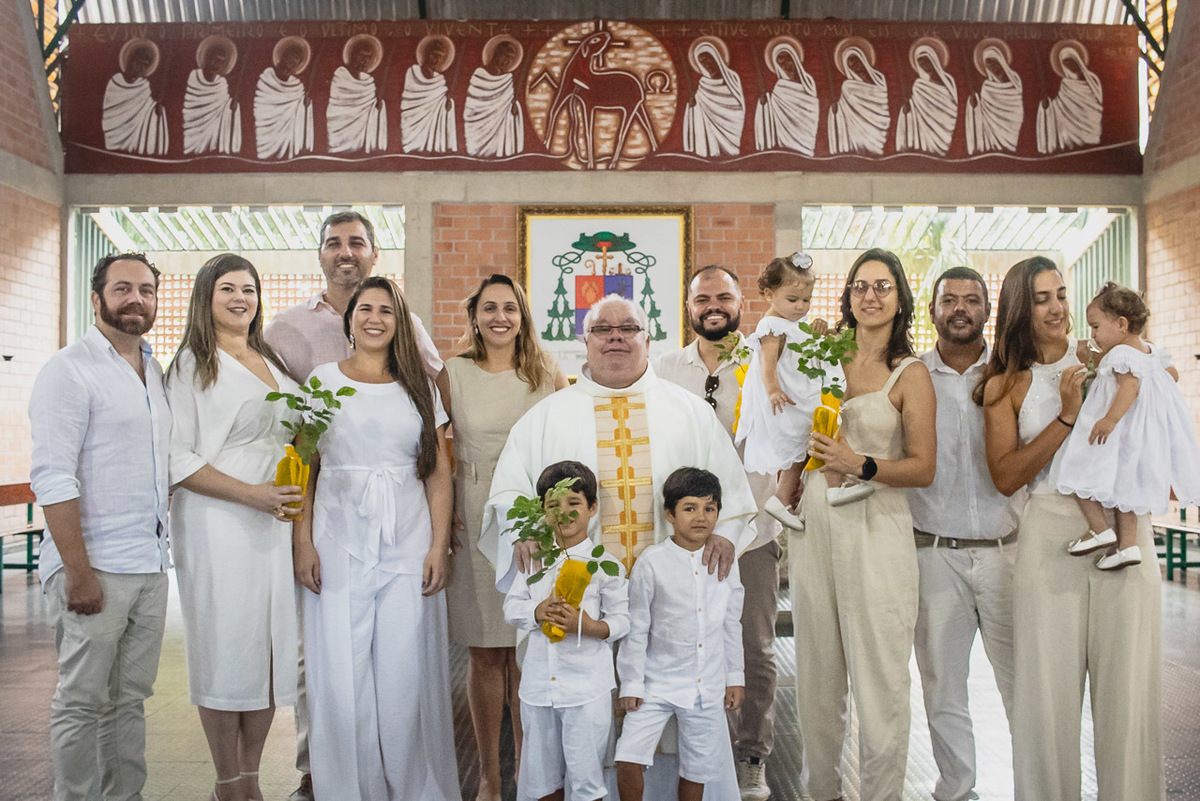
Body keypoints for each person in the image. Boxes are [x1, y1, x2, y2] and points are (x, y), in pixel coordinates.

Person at [483, 294, 758, 798]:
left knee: (678, 726)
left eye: (628, 328)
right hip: (580, 605)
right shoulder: (547, 416)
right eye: (602, 329)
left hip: (671, 608)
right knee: (580, 732)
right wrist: (520, 529)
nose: (616, 337)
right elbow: (508, 494)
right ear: (584, 343)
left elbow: (732, 496)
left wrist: (724, 533)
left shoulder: (688, 411)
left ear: (647, 340)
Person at [264, 210, 446, 801]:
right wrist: (302, 540)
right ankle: (351, 788)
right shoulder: (320, 380)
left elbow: (439, 470)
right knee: (342, 677)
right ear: (350, 319)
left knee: (400, 675)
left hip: (408, 537)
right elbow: (305, 468)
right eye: (364, 309)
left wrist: (439, 546)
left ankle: (409, 785)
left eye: (385, 310)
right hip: (339, 537)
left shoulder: (416, 387)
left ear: (400, 323)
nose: (374, 318)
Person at [977, 257, 1162, 800]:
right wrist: (1066, 415)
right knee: (1046, 700)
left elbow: (1158, 408)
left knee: (1128, 694)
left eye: (1060, 294)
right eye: (1041, 299)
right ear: (1019, 308)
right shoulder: (1004, 385)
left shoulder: (1114, 356)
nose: (1057, 307)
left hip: (1126, 528)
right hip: (1052, 532)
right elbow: (1006, 477)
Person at [792, 248, 936, 801]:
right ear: (847, 296)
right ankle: (819, 793)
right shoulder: (820, 357)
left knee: (881, 684)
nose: (869, 296)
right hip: (816, 526)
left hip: (878, 525)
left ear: (900, 298)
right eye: (859, 286)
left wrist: (861, 464)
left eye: (882, 287)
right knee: (817, 680)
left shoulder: (911, 373)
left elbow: (924, 467)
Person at [29, 253, 171, 801]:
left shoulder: (154, 369)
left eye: (146, 290)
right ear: (97, 298)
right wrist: (78, 571)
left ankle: (124, 796)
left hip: (150, 565)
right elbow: (52, 477)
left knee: (128, 698)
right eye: (122, 289)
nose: (136, 299)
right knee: (81, 700)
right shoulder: (69, 369)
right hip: (97, 567)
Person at [164, 254, 303, 801]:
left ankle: (250, 775)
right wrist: (253, 495)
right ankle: (228, 781)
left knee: (266, 652)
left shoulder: (268, 357)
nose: (240, 297)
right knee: (225, 648)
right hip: (219, 520)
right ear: (206, 297)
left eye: (248, 288)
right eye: (227, 288)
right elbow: (176, 456)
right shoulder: (192, 365)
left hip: (274, 523)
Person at [652, 264, 781, 801]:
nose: (713, 305)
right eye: (702, 297)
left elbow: (785, 443)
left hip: (750, 533)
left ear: (739, 303)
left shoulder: (766, 363)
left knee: (753, 647)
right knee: (684, 642)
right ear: (687, 307)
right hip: (684, 539)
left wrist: (740, 524)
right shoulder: (662, 369)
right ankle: (695, 754)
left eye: (723, 296)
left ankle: (751, 755)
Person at [444, 274, 567, 801]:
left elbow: (566, 448)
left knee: (527, 652)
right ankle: (492, 779)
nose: (500, 317)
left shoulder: (545, 372)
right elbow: (435, 448)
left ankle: (532, 774)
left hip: (530, 520)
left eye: (510, 308)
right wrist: (444, 514)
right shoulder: (452, 373)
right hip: (473, 515)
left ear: (523, 316)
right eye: (489, 308)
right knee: (485, 653)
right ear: (474, 315)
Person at [907, 266, 1018, 801]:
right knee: (942, 687)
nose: (959, 309)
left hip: (1007, 553)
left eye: (971, 300)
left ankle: (1038, 785)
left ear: (986, 311)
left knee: (1024, 683)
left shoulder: (1012, 372)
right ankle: (957, 790)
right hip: (933, 553)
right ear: (931, 309)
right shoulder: (910, 376)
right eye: (948, 299)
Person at [502, 461, 630, 801]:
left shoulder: (606, 566)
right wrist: (536, 610)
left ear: (592, 508)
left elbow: (621, 621)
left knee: (587, 781)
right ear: (542, 512)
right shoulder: (534, 560)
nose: (565, 513)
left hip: (586, 689)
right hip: (539, 687)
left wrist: (586, 626)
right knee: (543, 780)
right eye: (553, 505)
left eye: (574, 503)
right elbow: (511, 607)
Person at [615, 468, 745, 801]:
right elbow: (637, 627)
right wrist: (631, 683)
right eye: (690, 508)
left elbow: (731, 623)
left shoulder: (725, 561)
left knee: (696, 771)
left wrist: (735, 677)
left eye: (710, 509)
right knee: (628, 758)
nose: (701, 517)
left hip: (707, 686)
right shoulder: (652, 562)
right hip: (655, 684)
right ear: (670, 514)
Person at [1056, 282, 1200, 569]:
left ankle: (1099, 530)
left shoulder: (1120, 355)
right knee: (1127, 493)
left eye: (1095, 327)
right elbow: (1172, 374)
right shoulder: (1150, 352)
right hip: (1137, 440)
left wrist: (1108, 420)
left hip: (1114, 434)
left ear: (1122, 324)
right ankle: (1128, 546)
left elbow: (1129, 387)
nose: (1092, 335)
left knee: (1074, 469)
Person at [736, 253, 843, 532]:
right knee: (817, 436)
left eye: (806, 301)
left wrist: (818, 328)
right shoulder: (770, 326)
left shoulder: (792, 323)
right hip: (786, 399)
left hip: (800, 393)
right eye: (793, 300)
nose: (800, 307)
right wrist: (773, 391)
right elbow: (767, 364)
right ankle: (832, 487)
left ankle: (783, 499)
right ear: (769, 294)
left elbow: (809, 347)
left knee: (807, 447)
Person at [102, 38, 168, 155]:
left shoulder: (144, 86)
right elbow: (111, 113)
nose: (141, 67)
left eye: (145, 64)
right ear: (130, 60)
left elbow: (147, 109)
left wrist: (156, 109)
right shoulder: (115, 83)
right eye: (139, 62)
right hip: (115, 135)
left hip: (137, 137)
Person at [753, 38, 819, 156]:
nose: (785, 65)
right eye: (780, 63)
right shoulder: (779, 88)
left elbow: (812, 107)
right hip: (785, 140)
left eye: (787, 59)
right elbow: (773, 112)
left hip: (807, 134)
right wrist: (765, 103)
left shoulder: (808, 82)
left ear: (794, 59)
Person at [1036, 41, 1103, 154]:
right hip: (1070, 134)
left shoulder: (1092, 80)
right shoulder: (1066, 84)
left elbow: (1097, 102)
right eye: (1066, 63)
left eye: (1072, 61)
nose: (1070, 66)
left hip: (1091, 126)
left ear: (1078, 60)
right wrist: (1046, 108)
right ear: (1063, 66)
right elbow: (1060, 106)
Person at [682, 38, 745, 158]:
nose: (707, 64)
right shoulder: (703, 86)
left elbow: (742, 103)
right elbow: (699, 111)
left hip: (734, 126)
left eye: (709, 59)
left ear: (716, 57)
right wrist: (692, 107)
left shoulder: (732, 78)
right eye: (702, 62)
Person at [464, 36, 525, 158]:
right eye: (505, 56)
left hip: (500, 130)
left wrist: (514, 109)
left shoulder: (507, 80)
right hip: (478, 130)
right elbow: (471, 108)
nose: (507, 61)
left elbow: (508, 104)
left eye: (511, 59)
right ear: (496, 53)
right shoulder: (479, 76)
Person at [254, 36, 313, 160]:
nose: (292, 63)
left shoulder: (297, 86)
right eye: (290, 58)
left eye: (297, 60)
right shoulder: (267, 78)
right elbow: (260, 107)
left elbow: (299, 112)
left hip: (287, 135)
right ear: (283, 57)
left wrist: (305, 104)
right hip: (266, 132)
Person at [896, 38, 958, 156]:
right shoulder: (919, 86)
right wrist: (907, 110)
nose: (924, 65)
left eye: (926, 60)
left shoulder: (949, 81)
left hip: (947, 125)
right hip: (926, 131)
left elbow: (955, 104)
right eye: (920, 62)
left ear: (933, 59)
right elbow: (916, 110)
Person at [827, 39, 889, 156]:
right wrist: (835, 110)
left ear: (863, 59)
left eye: (856, 62)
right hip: (857, 130)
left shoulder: (880, 80)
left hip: (879, 129)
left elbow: (883, 104)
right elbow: (844, 108)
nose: (855, 67)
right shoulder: (848, 86)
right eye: (850, 66)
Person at [327, 34, 387, 154]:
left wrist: (376, 105)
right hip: (339, 128)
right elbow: (338, 104)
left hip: (361, 135)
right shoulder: (341, 75)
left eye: (368, 57)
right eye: (361, 55)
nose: (364, 60)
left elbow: (369, 107)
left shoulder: (369, 82)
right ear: (353, 55)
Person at [183, 35, 242, 155]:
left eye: (221, 61)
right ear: (208, 58)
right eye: (215, 59)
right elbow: (190, 106)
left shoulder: (221, 84)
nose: (217, 64)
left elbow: (224, 108)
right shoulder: (194, 78)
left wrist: (232, 107)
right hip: (193, 136)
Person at [965, 39, 1023, 155]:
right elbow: (983, 115)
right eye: (988, 63)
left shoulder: (1015, 81)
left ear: (1001, 61)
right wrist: (974, 107)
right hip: (992, 134)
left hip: (1013, 128)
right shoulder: (987, 88)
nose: (993, 66)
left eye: (994, 61)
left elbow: (1017, 107)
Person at [402, 35, 459, 154]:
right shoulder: (413, 71)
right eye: (434, 55)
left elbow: (439, 102)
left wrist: (447, 104)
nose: (436, 59)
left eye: (440, 57)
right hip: (413, 120)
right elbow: (411, 98)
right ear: (426, 54)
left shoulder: (439, 79)